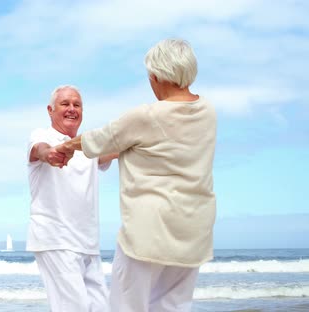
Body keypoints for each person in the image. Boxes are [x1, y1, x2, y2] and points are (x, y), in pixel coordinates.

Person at [56, 39, 217, 312]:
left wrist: (67, 146)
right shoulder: (208, 112)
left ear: (157, 76)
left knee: (127, 306)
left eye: (150, 77)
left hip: (148, 231)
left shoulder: (146, 116)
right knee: (174, 306)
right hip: (194, 229)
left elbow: (100, 139)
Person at [26, 85, 118, 312]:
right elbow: (40, 150)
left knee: (101, 308)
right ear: (50, 110)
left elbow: (116, 149)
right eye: (65, 104)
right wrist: (50, 154)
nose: (71, 109)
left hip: (88, 244)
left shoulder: (88, 146)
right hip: (55, 239)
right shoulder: (41, 135)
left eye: (77, 105)